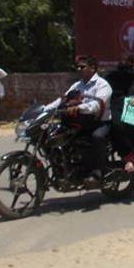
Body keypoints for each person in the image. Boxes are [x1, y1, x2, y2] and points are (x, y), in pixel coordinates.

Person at [45, 55, 112, 185]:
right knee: (55, 135)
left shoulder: (103, 85)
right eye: (77, 67)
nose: (78, 69)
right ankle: (66, 168)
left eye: (82, 66)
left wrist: (78, 107)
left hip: (100, 122)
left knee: (97, 137)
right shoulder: (77, 85)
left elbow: (96, 106)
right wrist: (44, 109)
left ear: (92, 68)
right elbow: (62, 100)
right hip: (82, 121)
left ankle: (97, 172)